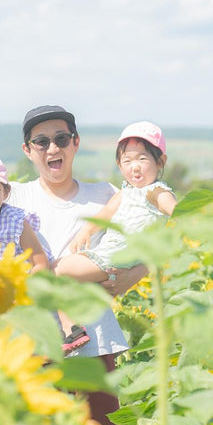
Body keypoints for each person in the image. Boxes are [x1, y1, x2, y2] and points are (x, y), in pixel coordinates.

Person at [7, 105, 148, 425]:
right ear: (27, 151)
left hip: (92, 342)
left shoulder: (105, 195)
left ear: (76, 142)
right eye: (41, 142)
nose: (52, 148)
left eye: (61, 138)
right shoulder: (13, 196)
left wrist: (135, 274)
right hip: (32, 344)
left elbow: (155, 240)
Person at [54, 121, 177, 355]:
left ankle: (71, 330)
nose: (135, 168)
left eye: (142, 159)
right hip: (111, 254)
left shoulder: (156, 192)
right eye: (127, 161)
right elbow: (105, 214)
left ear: (160, 161)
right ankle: (75, 324)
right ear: (119, 165)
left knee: (57, 269)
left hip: (117, 257)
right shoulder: (126, 192)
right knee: (70, 280)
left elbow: (178, 212)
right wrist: (86, 231)